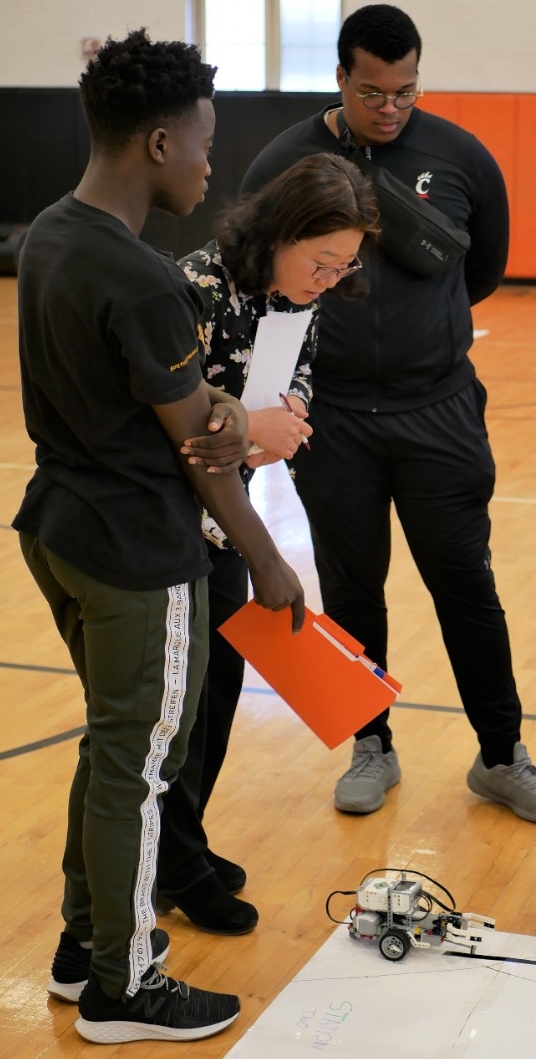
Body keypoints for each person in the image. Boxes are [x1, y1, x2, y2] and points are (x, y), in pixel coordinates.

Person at [13, 30, 305, 1044]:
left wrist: (208, 402)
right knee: (142, 762)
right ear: (156, 143)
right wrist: (267, 561)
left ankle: (81, 943)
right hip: (135, 547)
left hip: (56, 524)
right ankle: (121, 986)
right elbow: (201, 453)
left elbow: (156, 400)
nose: (210, 163)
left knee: (112, 743)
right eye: (204, 145)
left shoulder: (49, 233)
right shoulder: (140, 278)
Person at [239, 3, 536, 824]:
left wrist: (425, 340)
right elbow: (253, 275)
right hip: (335, 417)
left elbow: (482, 269)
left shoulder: (460, 155)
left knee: (465, 582)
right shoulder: (286, 162)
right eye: (372, 92)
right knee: (352, 586)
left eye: (405, 91)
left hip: (440, 409)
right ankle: (370, 744)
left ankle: (501, 755)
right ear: (341, 79)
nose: (390, 107)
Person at [156, 153, 380, 935]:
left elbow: (302, 370)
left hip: (230, 522)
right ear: (280, 232)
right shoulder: (197, 288)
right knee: (180, 709)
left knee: (215, 700)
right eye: (321, 262)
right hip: (177, 527)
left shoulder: (300, 296)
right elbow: (184, 434)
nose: (329, 280)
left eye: (344, 266)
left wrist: (293, 410)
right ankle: (174, 863)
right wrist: (260, 434)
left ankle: (178, 846)